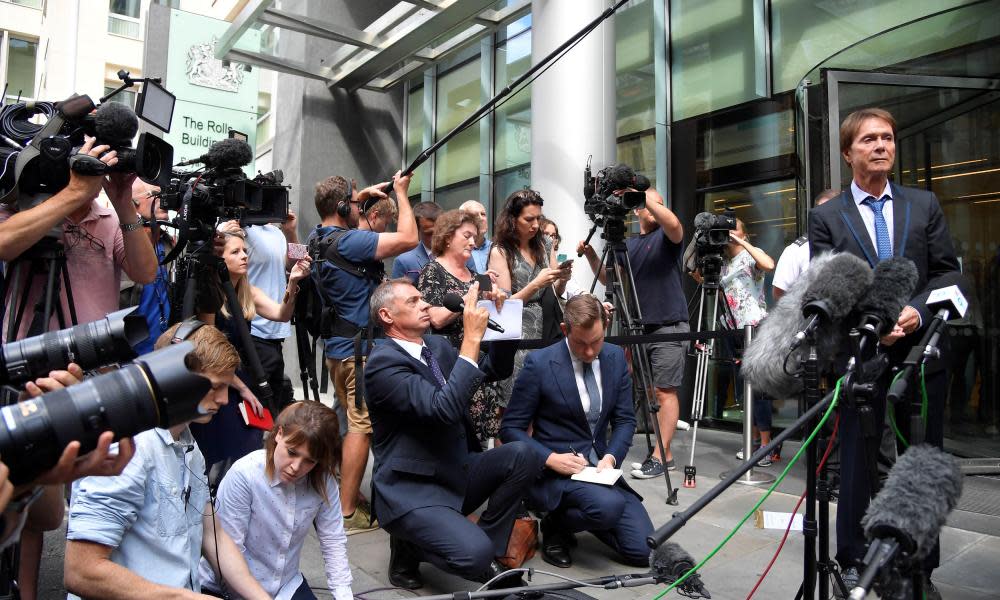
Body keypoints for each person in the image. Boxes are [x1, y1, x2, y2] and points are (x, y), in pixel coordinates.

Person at [808, 107, 959, 598]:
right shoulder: (827, 217)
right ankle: (852, 558)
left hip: (921, 353)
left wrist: (913, 311)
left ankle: (919, 567)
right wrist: (874, 321)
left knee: (921, 463)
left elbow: (948, 273)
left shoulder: (924, 203)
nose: (881, 146)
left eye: (888, 138)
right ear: (849, 152)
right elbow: (828, 286)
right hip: (862, 354)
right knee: (854, 462)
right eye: (870, 139)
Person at [64, 321, 270, 599]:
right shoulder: (128, 449)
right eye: (215, 387)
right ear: (175, 377)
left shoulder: (189, 447)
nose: (223, 400)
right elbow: (81, 571)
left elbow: (213, 535)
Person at [364, 279, 542, 590]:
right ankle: (412, 545)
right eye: (413, 301)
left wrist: (504, 319)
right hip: (412, 489)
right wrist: (471, 338)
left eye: (422, 299)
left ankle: (480, 544)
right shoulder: (382, 364)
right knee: (474, 554)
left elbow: (493, 370)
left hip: (452, 469)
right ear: (387, 316)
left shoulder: (437, 346)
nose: (424, 305)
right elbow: (442, 409)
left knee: (524, 454)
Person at [501, 294, 654, 569]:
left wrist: (611, 458)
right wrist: (549, 458)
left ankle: (574, 519)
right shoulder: (540, 363)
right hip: (555, 473)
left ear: (605, 327)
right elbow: (511, 428)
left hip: (600, 472)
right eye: (581, 344)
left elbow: (625, 420)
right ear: (564, 330)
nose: (589, 352)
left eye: (595, 341)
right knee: (607, 507)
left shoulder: (614, 357)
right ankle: (557, 524)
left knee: (644, 551)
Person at [309, 172, 416, 534]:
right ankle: (347, 511)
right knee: (361, 428)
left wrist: (365, 192)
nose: (360, 207)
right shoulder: (353, 242)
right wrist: (400, 193)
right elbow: (409, 238)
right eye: (355, 203)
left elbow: (340, 206)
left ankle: (342, 494)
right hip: (361, 353)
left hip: (338, 351)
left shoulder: (317, 238)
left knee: (351, 423)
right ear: (342, 207)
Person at [578, 179, 687, 479]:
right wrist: (590, 255)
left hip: (669, 326)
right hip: (640, 327)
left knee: (665, 392)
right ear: (636, 211)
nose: (656, 207)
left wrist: (645, 198)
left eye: (659, 203)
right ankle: (665, 452)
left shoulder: (667, 238)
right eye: (651, 203)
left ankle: (661, 456)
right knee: (651, 392)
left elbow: (675, 224)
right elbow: (609, 280)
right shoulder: (629, 244)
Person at [0, 136, 158, 340]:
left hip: (94, 357)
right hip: (28, 354)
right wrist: (74, 192)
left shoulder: (110, 220)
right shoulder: (24, 208)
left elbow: (145, 274)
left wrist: (124, 205)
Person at [198, 401, 351, 600]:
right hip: (228, 587)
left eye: (309, 461)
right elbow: (229, 552)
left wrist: (344, 595)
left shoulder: (322, 481)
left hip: (286, 585)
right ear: (279, 434)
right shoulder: (245, 475)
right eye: (292, 452)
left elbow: (333, 540)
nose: (296, 467)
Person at [192, 226, 310, 469]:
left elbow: (282, 313)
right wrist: (244, 389)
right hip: (219, 377)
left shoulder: (248, 291)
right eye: (235, 252)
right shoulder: (211, 294)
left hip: (241, 374)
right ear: (220, 258)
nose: (244, 256)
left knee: (251, 437)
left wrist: (293, 282)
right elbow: (210, 353)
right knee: (233, 441)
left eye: (245, 251)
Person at [416, 209, 507, 445]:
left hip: (482, 363)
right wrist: (469, 297)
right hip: (451, 366)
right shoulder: (432, 270)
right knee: (456, 436)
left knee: (481, 440)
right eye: (466, 235)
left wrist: (496, 298)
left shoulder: (476, 275)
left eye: (475, 236)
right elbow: (434, 318)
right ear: (447, 237)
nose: (473, 241)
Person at [489, 190, 571, 404]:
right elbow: (503, 305)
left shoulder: (544, 243)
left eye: (538, 218)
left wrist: (562, 278)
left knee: (544, 402)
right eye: (529, 219)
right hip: (517, 334)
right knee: (515, 402)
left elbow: (555, 289)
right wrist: (536, 284)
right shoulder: (501, 251)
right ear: (512, 219)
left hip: (548, 327)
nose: (535, 225)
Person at [716, 218, 776, 465]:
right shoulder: (723, 262)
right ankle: (752, 442)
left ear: (745, 233)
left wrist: (741, 242)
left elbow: (769, 264)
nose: (729, 232)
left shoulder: (753, 255)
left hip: (755, 326)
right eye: (726, 229)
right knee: (743, 388)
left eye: (735, 228)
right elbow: (700, 278)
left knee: (759, 387)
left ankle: (766, 446)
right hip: (732, 328)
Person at [244, 211, 302, 413]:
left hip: (277, 332)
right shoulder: (244, 231)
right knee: (258, 409)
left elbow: (297, 265)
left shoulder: (277, 233)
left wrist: (291, 233)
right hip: (254, 331)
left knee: (274, 407)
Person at [119, 178, 173, 355]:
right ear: (133, 204)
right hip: (128, 356)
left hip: (167, 353)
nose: (164, 199)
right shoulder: (119, 247)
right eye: (156, 195)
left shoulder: (171, 245)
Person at [772, 189, 839, 300]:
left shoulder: (854, 240)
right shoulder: (796, 251)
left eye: (832, 211)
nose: (827, 217)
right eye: (822, 212)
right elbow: (779, 293)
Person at [391, 201, 442, 283]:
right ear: (417, 231)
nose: (437, 236)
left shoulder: (459, 253)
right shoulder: (404, 262)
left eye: (441, 230)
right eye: (429, 233)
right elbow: (398, 295)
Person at [460, 200, 492, 274]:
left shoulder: (496, 249)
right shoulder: (458, 251)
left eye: (483, 214)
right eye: (474, 215)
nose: (481, 219)